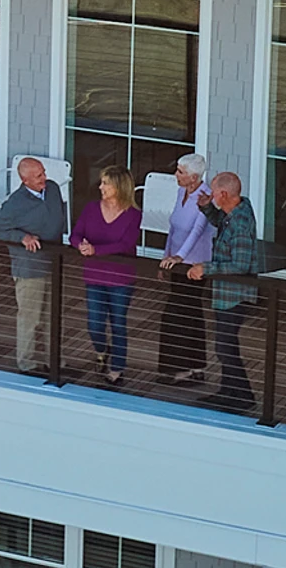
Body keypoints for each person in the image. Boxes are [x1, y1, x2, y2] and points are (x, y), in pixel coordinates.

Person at [0, 154, 69, 373]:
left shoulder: (52, 189)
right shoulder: (15, 204)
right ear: (25, 181)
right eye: (38, 176)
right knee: (30, 318)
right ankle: (27, 364)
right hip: (30, 269)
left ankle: (55, 363)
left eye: (43, 173)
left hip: (54, 263)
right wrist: (22, 238)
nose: (44, 178)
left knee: (53, 316)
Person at [71, 163, 145, 385]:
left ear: (119, 187)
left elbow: (126, 244)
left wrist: (97, 250)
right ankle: (102, 350)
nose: (100, 186)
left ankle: (117, 368)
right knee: (94, 323)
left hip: (121, 278)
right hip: (94, 275)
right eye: (102, 182)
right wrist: (80, 245)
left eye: (106, 183)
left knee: (118, 322)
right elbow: (75, 234)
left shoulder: (133, 215)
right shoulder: (91, 208)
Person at [202, 169, 266, 411]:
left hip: (235, 295)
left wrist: (205, 268)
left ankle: (243, 395)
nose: (211, 195)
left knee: (224, 345)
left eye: (213, 192)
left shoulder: (240, 223)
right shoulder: (234, 212)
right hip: (225, 294)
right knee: (225, 344)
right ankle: (228, 392)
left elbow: (240, 263)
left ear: (224, 193)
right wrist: (208, 208)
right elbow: (220, 222)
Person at [156, 148, 213, 384]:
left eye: (180, 172)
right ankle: (195, 365)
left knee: (179, 312)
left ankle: (181, 368)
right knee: (190, 311)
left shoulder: (205, 195)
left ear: (194, 177)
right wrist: (166, 256)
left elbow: (197, 229)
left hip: (195, 264)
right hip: (177, 262)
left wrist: (179, 257)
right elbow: (174, 226)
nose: (176, 175)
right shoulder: (181, 192)